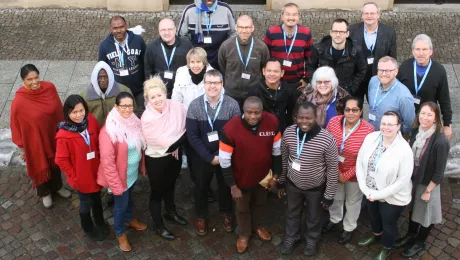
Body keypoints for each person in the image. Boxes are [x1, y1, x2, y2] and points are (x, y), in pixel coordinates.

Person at [219, 96, 281, 253]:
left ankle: (257, 226)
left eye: (257, 112)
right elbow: (224, 161)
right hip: (241, 178)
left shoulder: (273, 122)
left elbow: (277, 151)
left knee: (260, 203)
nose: (253, 116)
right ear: (243, 111)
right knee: (242, 208)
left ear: (262, 111)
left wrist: (276, 176)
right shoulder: (229, 129)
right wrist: (232, 186)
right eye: (249, 112)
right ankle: (244, 234)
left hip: (263, 176)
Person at [277, 102, 339, 256]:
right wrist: (281, 181)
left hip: (315, 189)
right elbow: (284, 158)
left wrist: (329, 194)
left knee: (314, 216)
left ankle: (312, 239)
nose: (304, 122)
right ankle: (292, 237)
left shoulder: (327, 139)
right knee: (292, 213)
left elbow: (332, 168)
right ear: (295, 117)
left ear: (316, 117)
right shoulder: (289, 133)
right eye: (301, 118)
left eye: (309, 118)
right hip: (293, 185)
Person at [186, 69, 240, 236]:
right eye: (209, 82)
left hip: (225, 155)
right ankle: (201, 215)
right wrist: (209, 157)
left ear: (222, 84)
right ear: (204, 84)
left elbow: (235, 134)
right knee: (201, 186)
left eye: (216, 83)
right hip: (202, 156)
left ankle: (226, 212)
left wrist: (220, 155)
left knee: (225, 185)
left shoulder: (232, 105)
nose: (212, 86)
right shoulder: (194, 105)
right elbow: (192, 135)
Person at [10, 64, 71, 208]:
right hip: (34, 142)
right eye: (29, 79)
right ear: (23, 80)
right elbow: (15, 125)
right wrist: (22, 148)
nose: (34, 82)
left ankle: (57, 186)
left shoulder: (49, 88)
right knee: (40, 165)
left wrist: (64, 131)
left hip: (52, 136)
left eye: (36, 77)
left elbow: (58, 110)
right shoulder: (19, 101)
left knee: (56, 163)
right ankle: (45, 193)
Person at [356, 111, 414, 260]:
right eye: (383, 123)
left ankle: (387, 247)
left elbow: (402, 181)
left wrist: (378, 195)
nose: (386, 127)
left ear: (399, 127)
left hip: (392, 197)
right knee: (374, 218)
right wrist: (364, 187)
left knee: (388, 224)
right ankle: (376, 236)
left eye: (390, 124)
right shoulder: (371, 138)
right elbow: (360, 162)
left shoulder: (404, 150)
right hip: (369, 191)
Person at [394, 102, 450, 258]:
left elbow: (439, 171)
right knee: (413, 209)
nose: (425, 117)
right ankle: (411, 235)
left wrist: (428, 190)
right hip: (415, 179)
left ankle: (420, 242)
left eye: (429, 114)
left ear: (436, 118)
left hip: (429, 183)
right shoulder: (415, 133)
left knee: (426, 214)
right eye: (423, 113)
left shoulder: (440, 141)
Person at [97, 92, 148, 252]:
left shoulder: (135, 122)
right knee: (120, 206)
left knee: (128, 200)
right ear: (116, 107)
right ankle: (120, 232)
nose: (127, 109)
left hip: (131, 174)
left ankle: (128, 219)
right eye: (123, 106)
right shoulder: (109, 131)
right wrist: (116, 186)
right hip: (119, 178)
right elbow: (108, 163)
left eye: (130, 105)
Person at [322, 96, 375, 244]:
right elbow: (326, 146)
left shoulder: (369, 130)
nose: (351, 113)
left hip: (355, 174)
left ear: (360, 111)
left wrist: (347, 174)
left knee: (353, 201)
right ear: (343, 110)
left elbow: (367, 159)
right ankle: (334, 219)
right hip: (334, 170)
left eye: (355, 110)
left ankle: (349, 228)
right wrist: (336, 171)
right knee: (336, 198)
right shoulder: (333, 122)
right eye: (347, 109)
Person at [55, 95, 108, 241]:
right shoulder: (63, 135)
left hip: (95, 171)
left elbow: (98, 136)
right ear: (67, 114)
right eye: (74, 112)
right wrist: (74, 176)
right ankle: (88, 228)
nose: (78, 115)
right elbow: (61, 159)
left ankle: (100, 221)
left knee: (97, 199)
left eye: (81, 110)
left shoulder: (90, 120)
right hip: (82, 177)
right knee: (85, 204)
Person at [141, 77, 188, 241]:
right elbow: (164, 143)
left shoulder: (177, 107)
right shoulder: (147, 118)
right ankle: (158, 224)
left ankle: (171, 211)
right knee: (157, 192)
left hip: (174, 155)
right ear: (147, 99)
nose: (157, 100)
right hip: (157, 159)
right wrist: (181, 137)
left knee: (171, 184)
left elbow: (185, 124)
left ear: (165, 93)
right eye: (152, 97)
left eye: (159, 95)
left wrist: (179, 137)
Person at [397, 34, 452, 140]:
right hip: (406, 117)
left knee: (425, 151)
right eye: (417, 49)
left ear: (431, 51)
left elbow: (444, 99)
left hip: (428, 119)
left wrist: (447, 124)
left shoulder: (439, 71)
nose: (421, 53)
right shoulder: (404, 67)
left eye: (424, 49)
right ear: (413, 51)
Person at [98, 15, 146, 117]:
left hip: (138, 89)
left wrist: (146, 83)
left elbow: (145, 62)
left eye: (121, 27)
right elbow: (102, 68)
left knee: (140, 116)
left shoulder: (138, 40)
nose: (118, 30)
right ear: (111, 29)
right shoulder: (104, 46)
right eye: (115, 28)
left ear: (126, 26)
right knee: (123, 116)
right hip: (117, 91)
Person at [349, 2, 397, 102]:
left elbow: (392, 58)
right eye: (366, 13)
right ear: (362, 15)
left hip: (378, 77)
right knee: (354, 108)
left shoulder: (389, 33)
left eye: (372, 13)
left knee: (377, 108)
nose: (369, 16)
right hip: (356, 78)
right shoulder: (352, 31)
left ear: (378, 15)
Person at [218, 15, 269, 108]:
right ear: (236, 28)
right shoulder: (226, 46)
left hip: (254, 95)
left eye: (247, 27)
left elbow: (264, 68)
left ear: (252, 28)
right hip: (231, 94)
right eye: (241, 27)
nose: (244, 31)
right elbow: (222, 67)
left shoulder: (261, 47)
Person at [307, 18, 367, 95]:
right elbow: (310, 67)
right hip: (323, 92)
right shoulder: (318, 48)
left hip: (345, 93)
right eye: (335, 31)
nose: (338, 35)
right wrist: (316, 85)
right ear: (331, 32)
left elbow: (361, 71)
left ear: (347, 34)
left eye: (341, 32)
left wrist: (352, 88)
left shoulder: (355, 51)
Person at [264, 2, 312, 88]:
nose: (291, 18)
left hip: (297, 83)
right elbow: (265, 58)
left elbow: (310, 59)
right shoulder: (271, 33)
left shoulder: (306, 33)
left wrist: (306, 79)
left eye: (294, 14)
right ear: (282, 16)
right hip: (275, 81)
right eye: (287, 14)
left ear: (299, 16)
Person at [178, 0, 236, 71]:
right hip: (197, 61)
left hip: (220, 57)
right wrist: (193, 53)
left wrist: (225, 51)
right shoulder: (190, 11)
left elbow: (234, 33)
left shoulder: (226, 9)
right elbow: (182, 35)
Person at [247, 58, 300, 133]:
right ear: (263, 71)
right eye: (269, 71)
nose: (272, 74)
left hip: (281, 130)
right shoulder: (255, 91)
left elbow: (291, 114)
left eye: (276, 71)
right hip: (260, 130)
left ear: (282, 73)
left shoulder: (288, 91)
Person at [144, 18, 193, 99]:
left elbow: (191, 68)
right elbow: (148, 73)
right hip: (159, 93)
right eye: (163, 30)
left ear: (175, 29)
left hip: (182, 91)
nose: (167, 32)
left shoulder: (186, 46)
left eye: (170, 29)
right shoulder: (151, 48)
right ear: (159, 31)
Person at [368, 56, 416, 136]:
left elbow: (408, 124)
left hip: (389, 137)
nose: (383, 74)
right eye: (381, 70)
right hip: (371, 133)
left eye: (387, 71)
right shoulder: (373, 81)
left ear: (396, 72)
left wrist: (395, 135)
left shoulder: (404, 96)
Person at [81, 61, 136, 127]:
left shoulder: (124, 91)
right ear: (94, 78)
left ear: (110, 77)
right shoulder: (84, 96)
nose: (103, 80)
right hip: (95, 131)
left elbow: (133, 111)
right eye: (99, 77)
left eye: (106, 77)